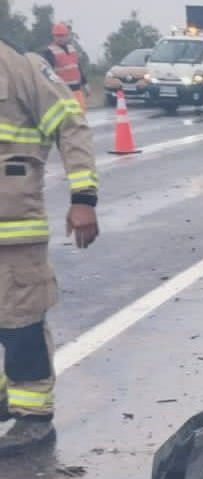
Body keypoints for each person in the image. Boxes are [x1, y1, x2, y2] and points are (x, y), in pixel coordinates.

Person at [0, 37, 99, 455]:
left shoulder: (20, 68)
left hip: (14, 230)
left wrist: (83, 199)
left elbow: (70, 124)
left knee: (20, 323)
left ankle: (34, 419)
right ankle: (9, 396)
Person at [40, 23, 88, 113]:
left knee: (81, 115)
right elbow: (46, 72)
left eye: (62, 35)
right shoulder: (49, 51)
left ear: (67, 36)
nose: (60, 38)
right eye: (57, 35)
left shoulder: (72, 49)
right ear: (53, 36)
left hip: (77, 90)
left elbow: (78, 67)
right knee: (70, 117)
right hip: (63, 91)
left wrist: (85, 83)